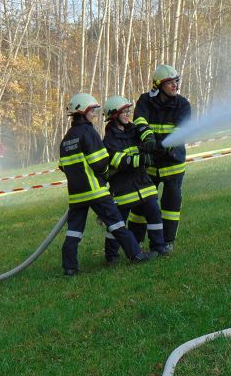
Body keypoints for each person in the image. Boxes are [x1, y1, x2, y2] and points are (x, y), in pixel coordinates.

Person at [59, 93, 157, 276]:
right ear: (83, 111)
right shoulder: (88, 132)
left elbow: (63, 166)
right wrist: (106, 175)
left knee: (74, 231)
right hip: (96, 191)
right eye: (92, 111)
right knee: (117, 223)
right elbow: (101, 162)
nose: (95, 115)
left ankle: (69, 267)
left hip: (76, 194)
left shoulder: (66, 139)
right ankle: (135, 254)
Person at [102, 95, 169, 263]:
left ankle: (158, 247)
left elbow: (144, 132)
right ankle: (111, 256)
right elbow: (119, 161)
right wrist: (142, 159)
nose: (127, 114)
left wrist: (152, 142)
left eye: (128, 111)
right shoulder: (109, 140)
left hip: (142, 184)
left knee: (154, 212)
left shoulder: (133, 130)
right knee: (117, 224)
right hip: (123, 188)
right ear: (114, 115)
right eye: (124, 112)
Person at [133, 64, 191, 254]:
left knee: (171, 202)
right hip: (149, 163)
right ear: (158, 86)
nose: (175, 85)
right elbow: (140, 121)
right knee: (141, 203)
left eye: (176, 81)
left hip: (173, 162)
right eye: (170, 82)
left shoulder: (183, 104)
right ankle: (135, 241)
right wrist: (148, 138)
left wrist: (161, 145)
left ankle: (167, 242)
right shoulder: (144, 101)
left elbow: (180, 132)